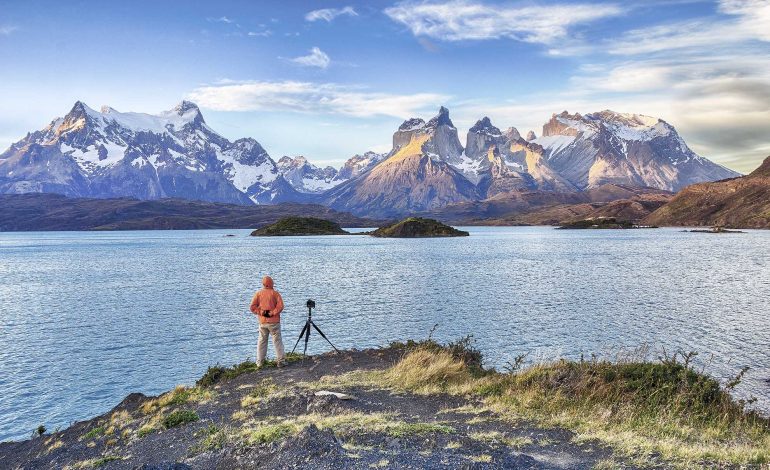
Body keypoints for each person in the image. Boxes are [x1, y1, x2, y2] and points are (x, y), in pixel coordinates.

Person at [249, 275, 285, 367]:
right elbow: (280, 306)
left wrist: (262, 312)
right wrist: (272, 313)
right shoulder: (275, 294)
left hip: (263, 322)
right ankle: (281, 361)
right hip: (274, 322)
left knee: (262, 342)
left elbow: (252, 307)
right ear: (271, 283)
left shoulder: (258, 294)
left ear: (263, 284)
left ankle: (260, 362)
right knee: (277, 341)